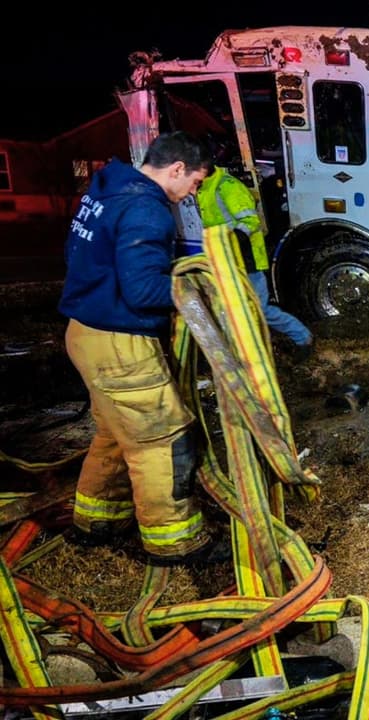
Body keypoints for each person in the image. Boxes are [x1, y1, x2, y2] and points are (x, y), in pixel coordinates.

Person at [58, 131, 226, 566]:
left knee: (116, 433)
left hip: (86, 332)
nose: (194, 192)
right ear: (176, 169)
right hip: (120, 343)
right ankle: (175, 542)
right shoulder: (147, 209)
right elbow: (143, 290)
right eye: (195, 182)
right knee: (163, 438)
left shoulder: (109, 190)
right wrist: (194, 290)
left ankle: (98, 520)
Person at [197, 163, 314, 361]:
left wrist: (231, 240)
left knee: (260, 309)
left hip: (246, 260)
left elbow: (251, 221)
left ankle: (302, 337)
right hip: (229, 261)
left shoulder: (226, 186)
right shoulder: (205, 188)